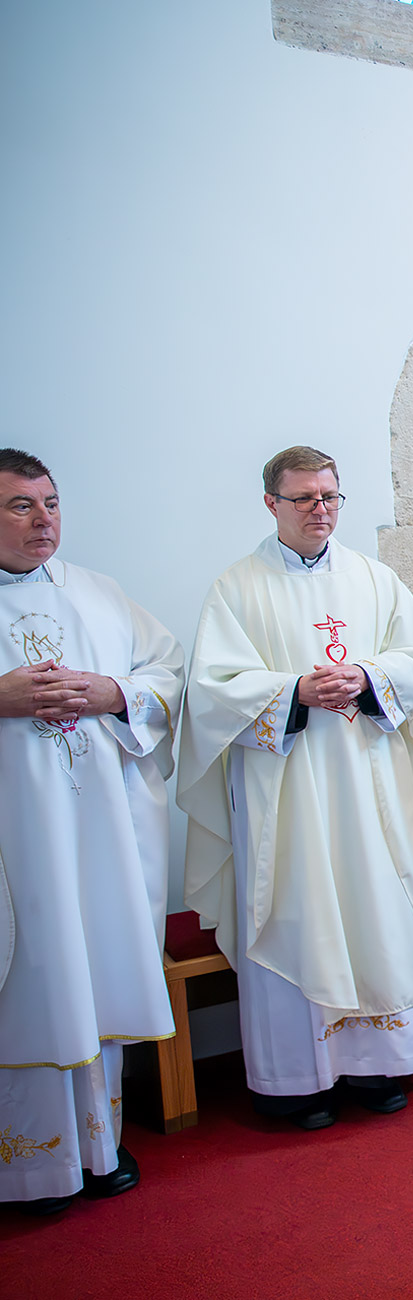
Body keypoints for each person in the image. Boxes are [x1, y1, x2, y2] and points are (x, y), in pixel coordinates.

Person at [178, 446, 413, 1130]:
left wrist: (369, 677)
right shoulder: (238, 587)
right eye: (303, 498)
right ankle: (296, 1081)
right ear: (272, 503)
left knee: (372, 901)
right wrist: (292, 690)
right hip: (285, 791)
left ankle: (378, 1065)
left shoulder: (375, 579)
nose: (320, 509)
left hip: (366, 781)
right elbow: (212, 689)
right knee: (298, 908)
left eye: (329, 496)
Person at [0, 449, 182, 1215]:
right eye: (21, 506)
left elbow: (168, 675)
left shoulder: (100, 594)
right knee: (32, 979)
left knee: (92, 969)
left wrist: (114, 692)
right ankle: (24, 1166)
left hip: (98, 837)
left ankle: (97, 1146)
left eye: (51, 503)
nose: (44, 520)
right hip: (17, 848)